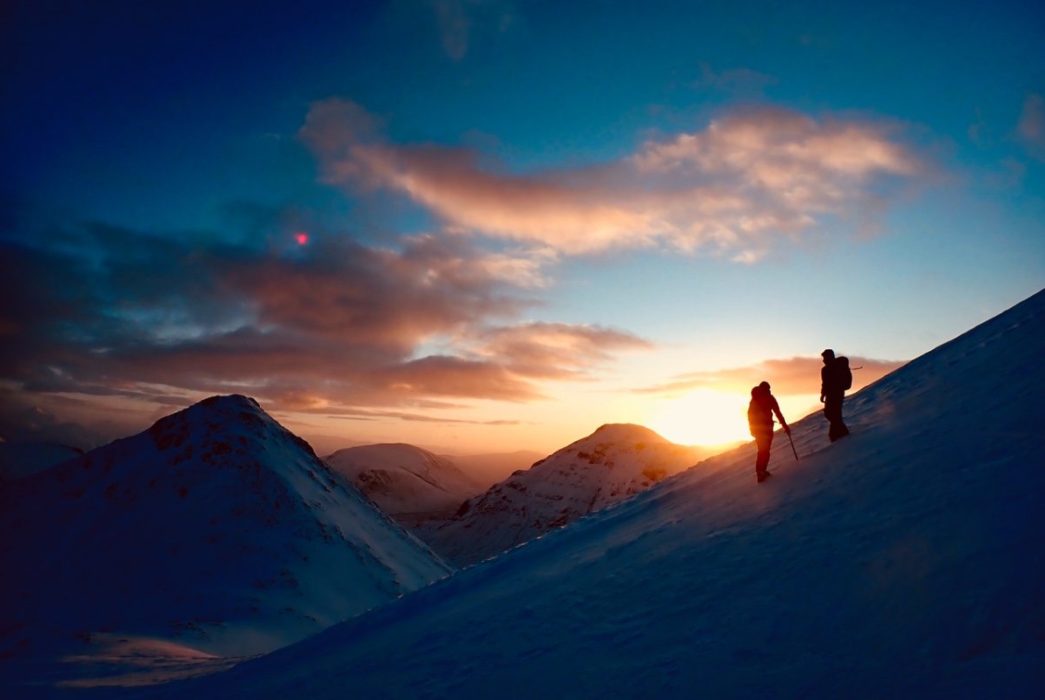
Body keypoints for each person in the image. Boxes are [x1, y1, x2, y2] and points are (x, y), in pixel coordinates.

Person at [747, 381, 789, 483]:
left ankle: (761, 471)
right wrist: (785, 426)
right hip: (766, 428)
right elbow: (777, 412)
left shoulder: (754, 399)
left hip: (759, 430)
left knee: (763, 450)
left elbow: (750, 415)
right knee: (764, 450)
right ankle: (761, 472)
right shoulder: (768, 398)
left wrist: (752, 430)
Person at [820, 349, 850, 442]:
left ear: (830, 357)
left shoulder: (837, 366)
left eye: (825, 357)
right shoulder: (825, 370)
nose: (823, 360)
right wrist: (823, 394)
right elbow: (824, 383)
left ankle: (835, 436)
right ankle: (842, 432)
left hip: (838, 393)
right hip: (830, 394)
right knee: (829, 413)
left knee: (835, 414)